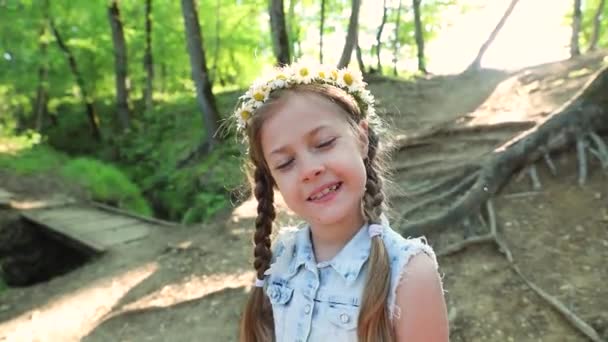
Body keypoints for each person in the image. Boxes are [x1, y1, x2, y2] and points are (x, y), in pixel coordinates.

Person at [235, 61, 449, 342]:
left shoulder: (409, 275)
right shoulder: (281, 259)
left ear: (361, 138)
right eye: (286, 163)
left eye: (324, 143)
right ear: (272, 180)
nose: (310, 169)